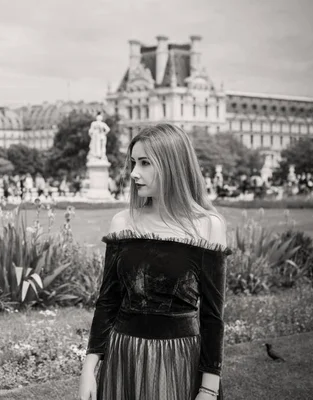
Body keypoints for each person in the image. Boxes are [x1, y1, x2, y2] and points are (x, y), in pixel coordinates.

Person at [79, 123, 231, 400]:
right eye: (134, 162)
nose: (134, 173)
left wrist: (209, 389)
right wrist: (89, 368)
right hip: (123, 355)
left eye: (146, 163)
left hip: (179, 359)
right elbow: (107, 302)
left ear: (172, 165)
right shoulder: (122, 222)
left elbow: (213, 317)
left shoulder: (208, 226)